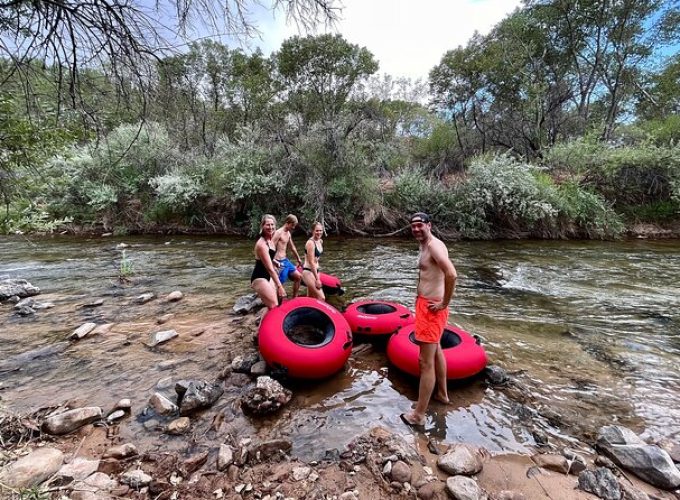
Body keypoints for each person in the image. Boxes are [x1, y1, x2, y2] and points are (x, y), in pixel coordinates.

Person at [401, 212, 457, 427]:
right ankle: (442, 394)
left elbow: (451, 274)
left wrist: (444, 303)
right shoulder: (425, 245)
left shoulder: (434, 245)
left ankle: (418, 415)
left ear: (429, 225)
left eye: (420, 225)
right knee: (437, 352)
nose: (416, 229)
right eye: (413, 225)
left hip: (432, 309)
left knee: (425, 363)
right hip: (427, 305)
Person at [250, 214, 286, 309]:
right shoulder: (261, 244)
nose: (270, 227)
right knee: (274, 305)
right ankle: (265, 323)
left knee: (276, 303)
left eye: (272, 224)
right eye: (268, 225)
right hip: (259, 277)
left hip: (267, 276)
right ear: (262, 226)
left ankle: (263, 322)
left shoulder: (270, 240)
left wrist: (274, 261)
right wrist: (280, 286)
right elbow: (270, 269)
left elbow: (267, 257)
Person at [272, 214, 303, 298]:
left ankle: (294, 298)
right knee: (279, 284)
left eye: (294, 226)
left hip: (285, 260)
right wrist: (273, 262)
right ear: (287, 223)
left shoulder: (288, 233)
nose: (293, 227)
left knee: (298, 277)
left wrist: (298, 259)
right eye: (292, 225)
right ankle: (274, 301)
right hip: (279, 262)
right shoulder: (278, 233)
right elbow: (270, 248)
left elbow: (292, 247)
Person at [301, 221, 325, 300]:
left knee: (311, 298)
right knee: (321, 297)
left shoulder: (320, 241)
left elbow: (316, 258)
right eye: (317, 230)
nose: (319, 232)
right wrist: (317, 279)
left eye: (320, 230)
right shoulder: (310, 243)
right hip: (308, 271)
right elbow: (311, 262)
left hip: (316, 271)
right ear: (313, 231)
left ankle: (306, 312)